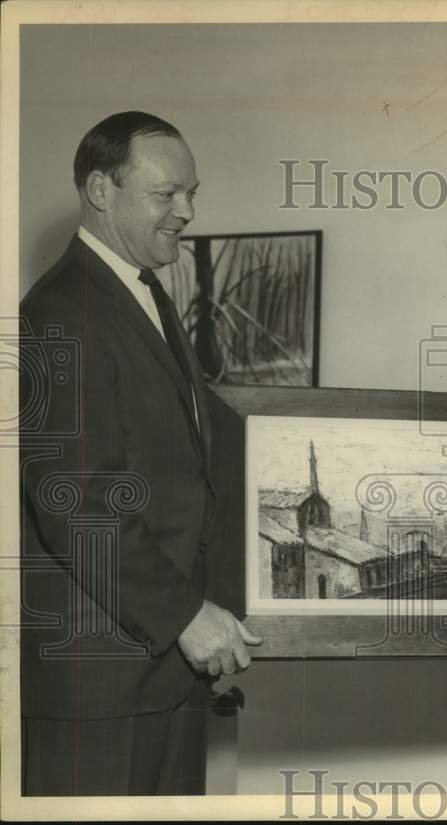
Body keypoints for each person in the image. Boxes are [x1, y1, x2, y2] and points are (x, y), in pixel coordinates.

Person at [19, 111, 262, 796]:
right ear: (101, 189)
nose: (186, 210)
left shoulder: (142, 293)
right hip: (100, 683)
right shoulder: (63, 310)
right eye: (166, 194)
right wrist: (185, 614)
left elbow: (190, 464)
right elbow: (77, 497)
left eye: (192, 192)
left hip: (160, 670)